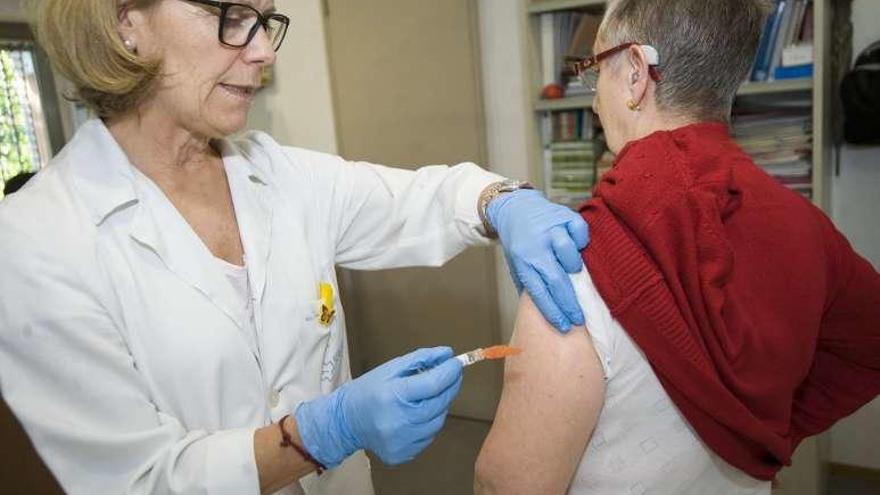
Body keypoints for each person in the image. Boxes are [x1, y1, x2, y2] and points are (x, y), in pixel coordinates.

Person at [0, 1, 591, 494]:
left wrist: (503, 201)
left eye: (267, 21)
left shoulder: (277, 175)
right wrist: (319, 434)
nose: (264, 51)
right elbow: (134, 480)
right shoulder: (37, 240)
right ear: (127, 21)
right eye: (234, 15)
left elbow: (422, 198)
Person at [475, 0, 880, 494]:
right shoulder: (808, 229)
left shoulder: (571, 266)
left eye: (595, 70)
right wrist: (767, 434)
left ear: (634, 74)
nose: (595, 101)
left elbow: (509, 486)